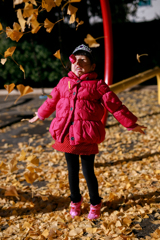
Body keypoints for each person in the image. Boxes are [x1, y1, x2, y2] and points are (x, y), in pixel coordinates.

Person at [29, 44, 146, 220]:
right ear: (70, 63)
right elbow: (52, 100)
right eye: (75, 60)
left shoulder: (97, 85)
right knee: (71, 170)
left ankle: (95, 202)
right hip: (66, 133)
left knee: (87, 171)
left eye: (84, 61)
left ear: (92, 67)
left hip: (86, 135)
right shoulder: (63, 83)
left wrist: (130, 124)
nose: (78, 63)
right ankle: (75, 200)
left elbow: (115, 105)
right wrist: (40, 114)